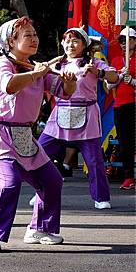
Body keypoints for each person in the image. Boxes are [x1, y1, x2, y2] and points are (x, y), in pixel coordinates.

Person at [0, 17, 77, 253]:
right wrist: (37, 73)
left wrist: (70, 82)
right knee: (9, 183)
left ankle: (40, 227)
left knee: (52, 181)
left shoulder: (37, 67)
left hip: (24, 134)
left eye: (35, 34)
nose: (34, 39)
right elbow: (9, 85)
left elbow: (64, 92)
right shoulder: (1, 64)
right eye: (27, 35)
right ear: (11, 41)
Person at [32, 28, 118, 209]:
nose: (70, 45)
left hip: (87, 114)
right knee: (40, 153)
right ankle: (40, 192)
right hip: (60, 112)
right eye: (67, 41)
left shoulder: (95, 63)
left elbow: (114, 76)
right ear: (62, 43)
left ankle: (101, 197)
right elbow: (37, 77)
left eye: (75, 41)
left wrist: (99, 72)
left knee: (94, 160)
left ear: (84, 45)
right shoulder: (56, 64)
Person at [111, 27, 136, 190]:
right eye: (121, 41)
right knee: (125, 142)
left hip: (134, 103)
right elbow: (108, 84)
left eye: (127, 40)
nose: (124, 44)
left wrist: (133, 81)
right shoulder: (115, 61)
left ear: (134, 41)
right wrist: (119, 76)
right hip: (120, 104)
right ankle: (128, 176)